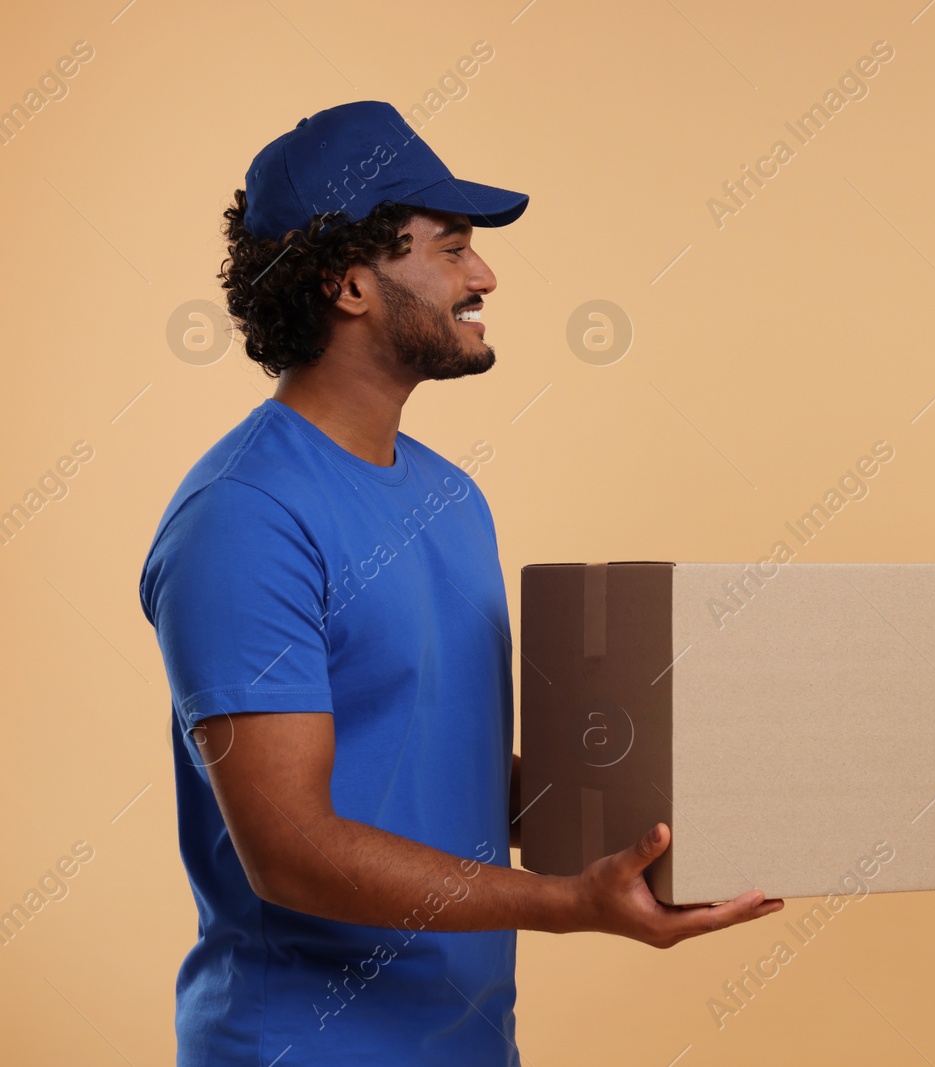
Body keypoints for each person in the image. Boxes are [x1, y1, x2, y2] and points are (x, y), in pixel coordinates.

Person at [138, 100, 782, 1067]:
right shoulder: (243, 517)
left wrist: (662, 833)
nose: (483, 275)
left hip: (470, 1043)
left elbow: (453, 775)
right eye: (450, 248)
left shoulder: (449, 497)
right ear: (348, 282)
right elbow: (290, 848)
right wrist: (571, 903)